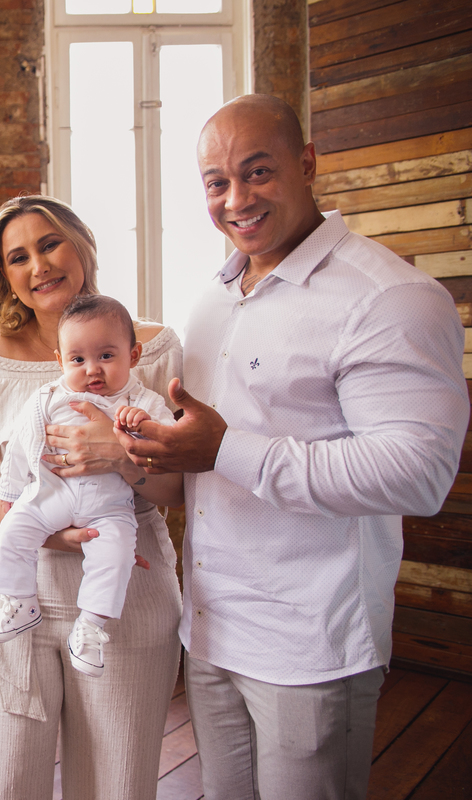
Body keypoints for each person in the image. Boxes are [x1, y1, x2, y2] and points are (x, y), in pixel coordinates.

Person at [122, 94, 469, 799]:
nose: (236, 199)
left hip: (312, 642)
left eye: (258, 172)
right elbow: (202, 454)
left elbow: (418, 475)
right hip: (212, 627)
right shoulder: (210, 300)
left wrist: (226, 451)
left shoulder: (389, 297)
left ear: (307, 164)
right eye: (217, 182)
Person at [0, 195, 184, 799]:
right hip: (11, 586)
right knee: (3, 782)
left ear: (81, 245)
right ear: (5, 278)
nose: (38, 265)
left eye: (49, 244)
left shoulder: (156, 350)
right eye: (17, 257)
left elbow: (179, 487)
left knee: (116, 783)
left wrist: (118, 455)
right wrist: (41, 527)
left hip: (128, 592)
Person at [0, 295, 180, 682]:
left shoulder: (142, 401)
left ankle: (91, 627)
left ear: (134, 354)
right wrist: (10, 493)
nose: (92, 369)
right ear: (60, 361)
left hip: (109, 506)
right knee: (12, 531)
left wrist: (143, 428)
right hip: (51, 494)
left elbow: (169, 450)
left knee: (117, 554)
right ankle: (20, 601)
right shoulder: (47, 399)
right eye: (77, 360)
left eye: (106, 356)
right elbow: (22, 446)